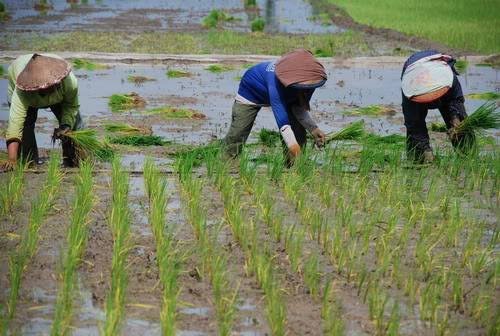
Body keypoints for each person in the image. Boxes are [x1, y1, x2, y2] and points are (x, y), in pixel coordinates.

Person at [223, 49, 327, 163]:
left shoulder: (310, 82)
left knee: (297, 130)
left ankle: (293, 164)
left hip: (288, 94)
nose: (309, 89)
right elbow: (283, 122)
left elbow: (298, 108)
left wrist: (313, 129)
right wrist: (293, 147)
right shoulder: (275, 82)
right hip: (251, 93)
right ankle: (227, 162)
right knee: (238, 133)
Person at [2, 53, 83, 171]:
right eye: (44, 88)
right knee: (26, 128)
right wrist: (12, 159)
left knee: (73, 126)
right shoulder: (23, 91)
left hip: (60, 98)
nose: (48, 88)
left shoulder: (69, 82)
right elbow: (15, 124)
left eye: (52, 86)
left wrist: (66, 125)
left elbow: (71, 106)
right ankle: (29, 162)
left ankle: (71, 161)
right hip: (27, 93)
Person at [401, 50, 473, 163]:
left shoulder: (449, 80)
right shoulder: (410, 91)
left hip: (437, 69)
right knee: (414, 126)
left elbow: (456, 101)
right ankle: (418, 158)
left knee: (461, 124)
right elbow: (413, 123)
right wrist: (425, 149)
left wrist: (455, 119)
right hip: (413, 72)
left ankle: (467, 156)